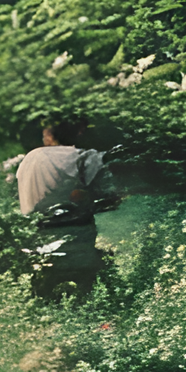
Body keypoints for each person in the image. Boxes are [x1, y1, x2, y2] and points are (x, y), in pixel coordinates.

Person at [14, 120, 117, 296]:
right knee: (102, 274)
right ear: (79, 131)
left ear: (48, 135)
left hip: (37, 233)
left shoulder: (29, 158)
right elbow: (108, 193)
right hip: (74, 233)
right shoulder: (82, 157)